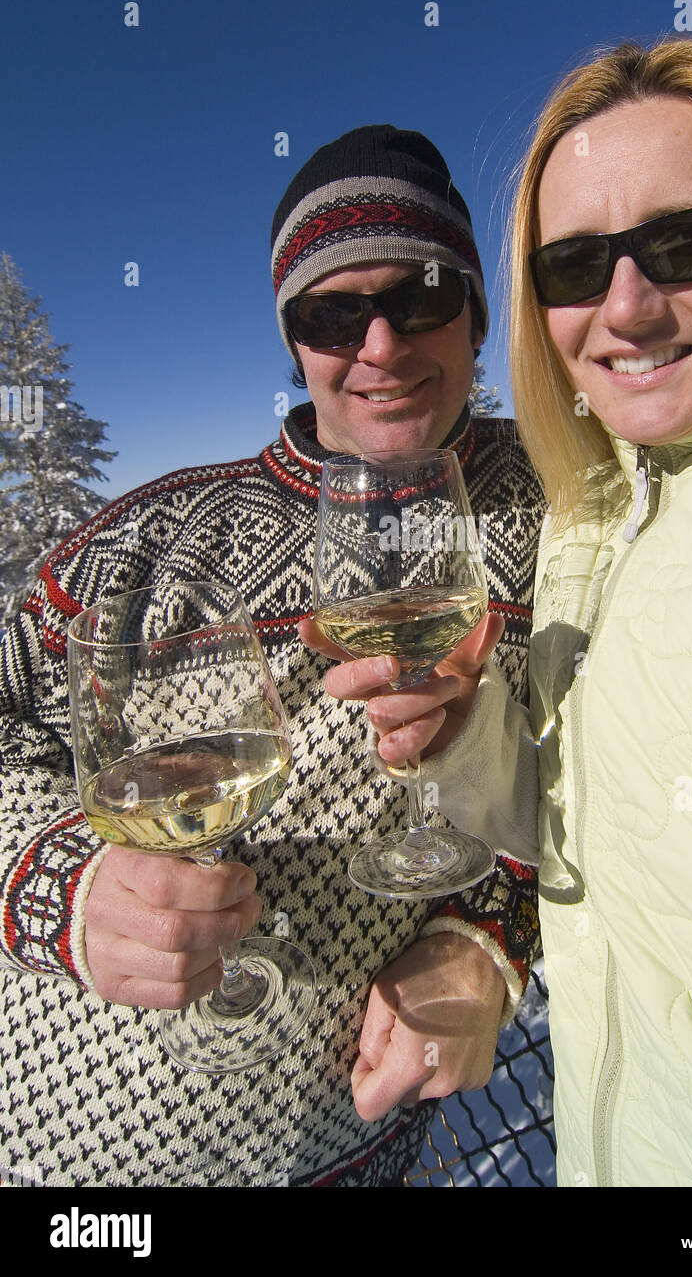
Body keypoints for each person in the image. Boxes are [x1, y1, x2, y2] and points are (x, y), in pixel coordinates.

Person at [322, 41, 692, 1187]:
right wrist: (467, 732)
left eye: (688, 243)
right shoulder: (592, 509)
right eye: (573, 265)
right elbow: (563, 828)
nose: (625, 302)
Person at [0, 125, 545, 1187]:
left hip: (353, 1150)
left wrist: (495, 933)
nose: (378, 346)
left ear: (477, 314)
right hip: (61, 1155)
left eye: (422, 295)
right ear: (294, 342)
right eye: (332, 314)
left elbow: (632, 788)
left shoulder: (578, 512)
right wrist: (58, 884)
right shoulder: (139, 546)